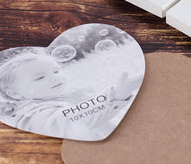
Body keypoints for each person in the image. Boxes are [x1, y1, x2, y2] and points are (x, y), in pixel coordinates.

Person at [0, 48, 140, 140]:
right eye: (40, 78)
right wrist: (117, 94)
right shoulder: (36, 116)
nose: (55, 77)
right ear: (15, 94)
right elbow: (75, 119)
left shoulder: (63, 98)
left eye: (56, 71)